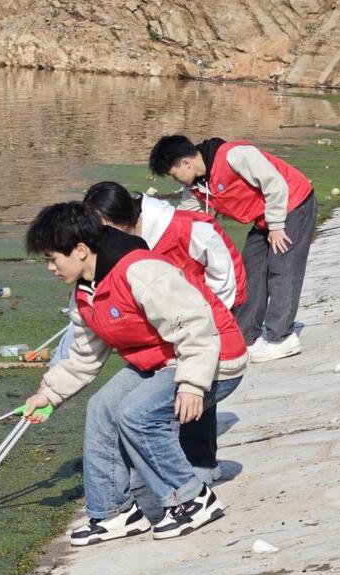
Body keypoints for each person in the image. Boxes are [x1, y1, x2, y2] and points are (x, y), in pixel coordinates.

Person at [22, 202, 248, 545]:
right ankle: (114, 512)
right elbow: (84, 355)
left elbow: (196, 325)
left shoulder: (141, 271)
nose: (50, 268)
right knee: (102, 409)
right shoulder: (85, 292)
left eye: (53, 258)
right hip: (160, 361)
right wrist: (49, 393)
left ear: (81, 251)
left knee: (137, 414)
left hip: (213, 359)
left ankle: (191, 499)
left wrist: (191, 384)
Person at [82, 181, 247, 485]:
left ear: (121, 221)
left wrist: (213, 313)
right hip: (166, 329)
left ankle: (199, 464)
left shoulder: (184, 228)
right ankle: (172, 465)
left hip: (205, 318)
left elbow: (223, 271)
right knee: (153, 396)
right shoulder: (112, 256)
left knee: (193, 386)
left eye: (102, 228)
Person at [148, 135, 317, 363]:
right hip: (263, 218)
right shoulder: (197, 188)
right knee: (249, 270)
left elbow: (274, 183)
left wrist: (277, 225)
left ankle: (282, 338)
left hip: (293, 204)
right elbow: (186, 220)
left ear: (184, 164)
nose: (175, 180)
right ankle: (246, 337)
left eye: (172, 174)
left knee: (282, 267)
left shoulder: (234, 156)